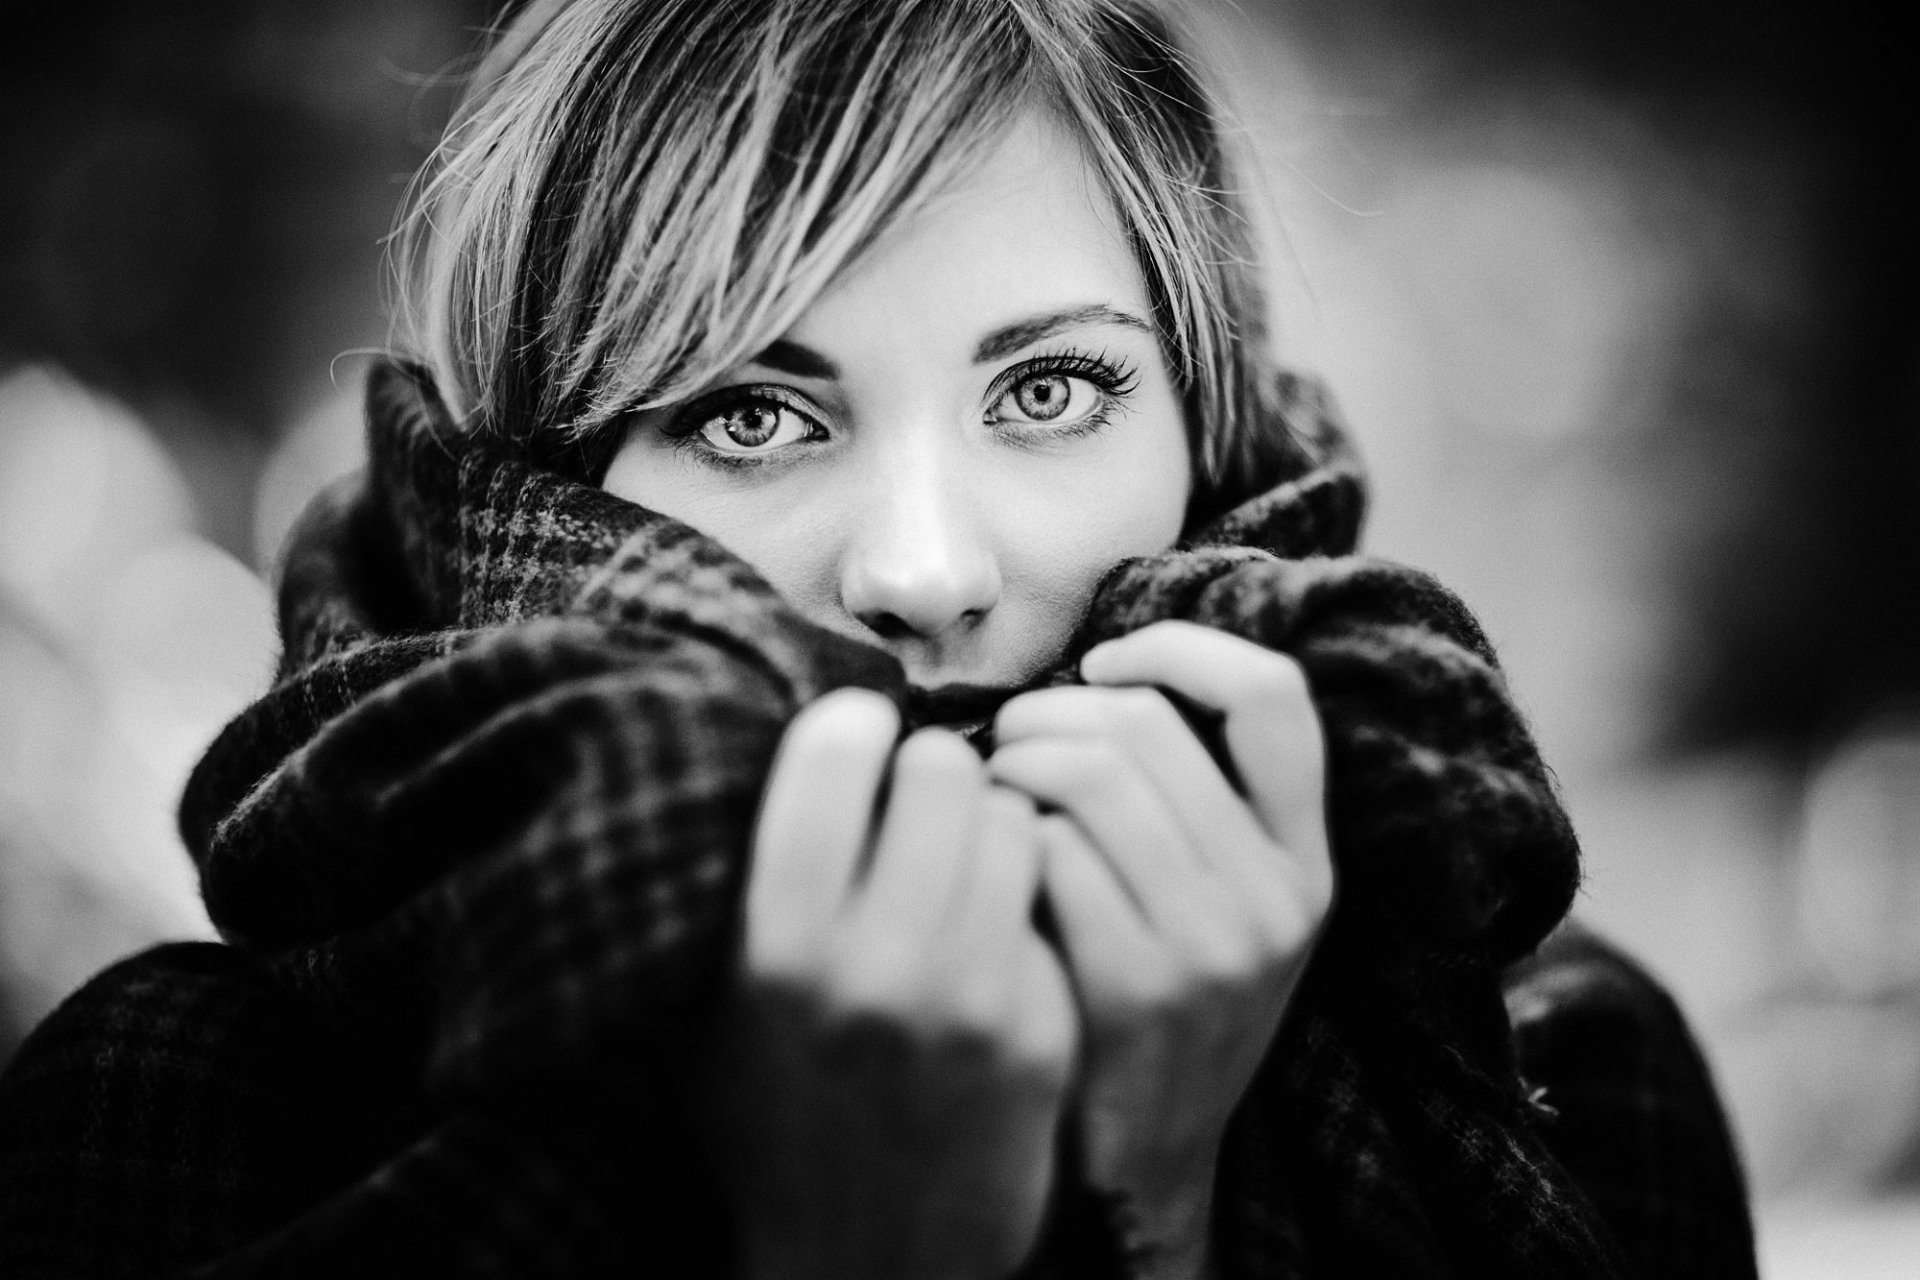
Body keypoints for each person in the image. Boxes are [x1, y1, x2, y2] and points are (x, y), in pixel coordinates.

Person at [0, 1, 1756, 1276]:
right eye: (754, 415)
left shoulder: (1573, 1078)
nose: (924, 573)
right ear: (525, 496)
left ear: (1212, 441)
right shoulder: (175, 1113)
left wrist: (1162, 1199)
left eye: (1053, 389)